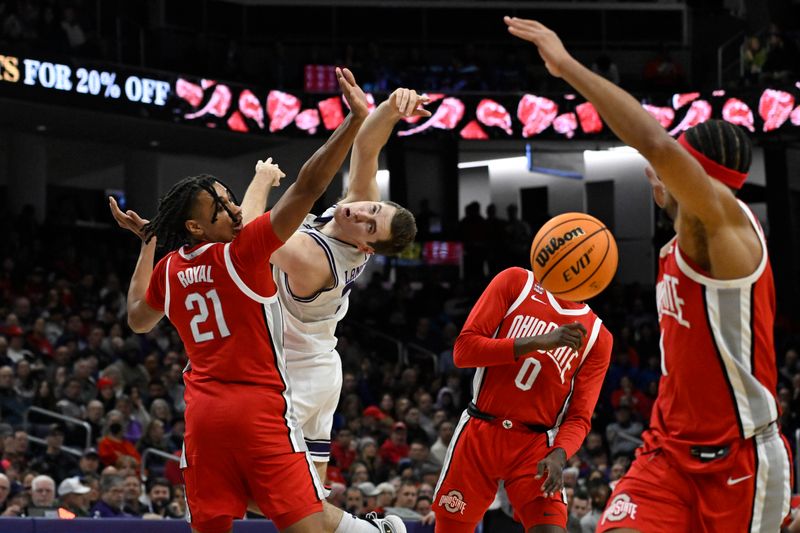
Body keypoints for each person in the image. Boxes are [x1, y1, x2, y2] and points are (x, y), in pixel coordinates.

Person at [504, 15, 791, 532]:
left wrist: (567, 67)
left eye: (673, 161)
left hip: (739, 460)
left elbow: (655, 144)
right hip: (666, 453)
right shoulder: (682, 240)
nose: (651, 168)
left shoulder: (722, 228)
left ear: (691, 173)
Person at [113, 68, 404, 533]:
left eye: (230, 201)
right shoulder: (245, 252)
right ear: (197, 227)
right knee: (302, 513)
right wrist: (356, 121)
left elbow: (137, 319)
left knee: (245, 512)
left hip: (207, 412)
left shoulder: (170, 269)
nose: (233, 211)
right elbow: (308, 185)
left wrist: (149, 241)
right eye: (220, 208)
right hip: (266, 401)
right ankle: (372, 531)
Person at [239, 86, 425, 482]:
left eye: (369, 226)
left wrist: (262, 179)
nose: (360, 213)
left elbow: (248, 234)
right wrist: (392, 108)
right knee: (307, 492)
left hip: (298, 372)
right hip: (309, 360)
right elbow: (366, 146)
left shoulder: (316, 260)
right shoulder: (350, 214)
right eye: (372, 208)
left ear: (366, 247)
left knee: (276, 491)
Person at [432, 260, 612, 532]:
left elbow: (579, 417)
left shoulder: (599, 336)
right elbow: (464, 351)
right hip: (481, 430)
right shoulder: (516, 282)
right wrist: (539, 341)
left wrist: (560, 455)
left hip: (536, 446)